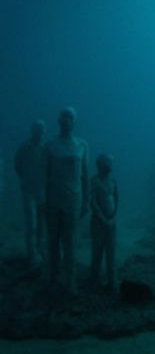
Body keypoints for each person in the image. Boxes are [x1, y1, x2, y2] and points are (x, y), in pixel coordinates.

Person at [45, 107, 90, 294]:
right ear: (58, 120)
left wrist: (86, 200)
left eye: (70, 117)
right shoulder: (49, 145)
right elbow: (45, 174)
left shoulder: (82, 145)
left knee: (70, 241)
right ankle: (53, 279)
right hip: (53, 199)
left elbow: (85, 175)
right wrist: (42, 199)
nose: (66, 120)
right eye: (63, 116)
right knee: (53, 240)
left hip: (73, 198)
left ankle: (70, 281)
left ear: (74, 121)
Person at [14, 120, 47, 268]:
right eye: (38, 130)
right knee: (31, 223)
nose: (41, 132)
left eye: (42, 130)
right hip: (28, 191)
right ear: (33, 131)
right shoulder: (24, 147)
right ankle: (32, 254)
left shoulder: (45, 148)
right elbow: (17, 165)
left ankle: (40, 250)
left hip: (41, 191)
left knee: (41, 223)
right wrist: (25, 180)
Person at [90, 153, 118, 290]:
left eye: (110, 163)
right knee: (98, 252)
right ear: (100, 165)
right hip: (98, 223)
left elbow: (117, 200)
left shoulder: (113, 182)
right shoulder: (94, 181)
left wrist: (112, 218)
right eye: (107, 162)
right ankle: (94, 282)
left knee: (111, 253)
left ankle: (112, 282)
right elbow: (93, 203)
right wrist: (103, 219)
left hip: (111, 222)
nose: (110, 165)